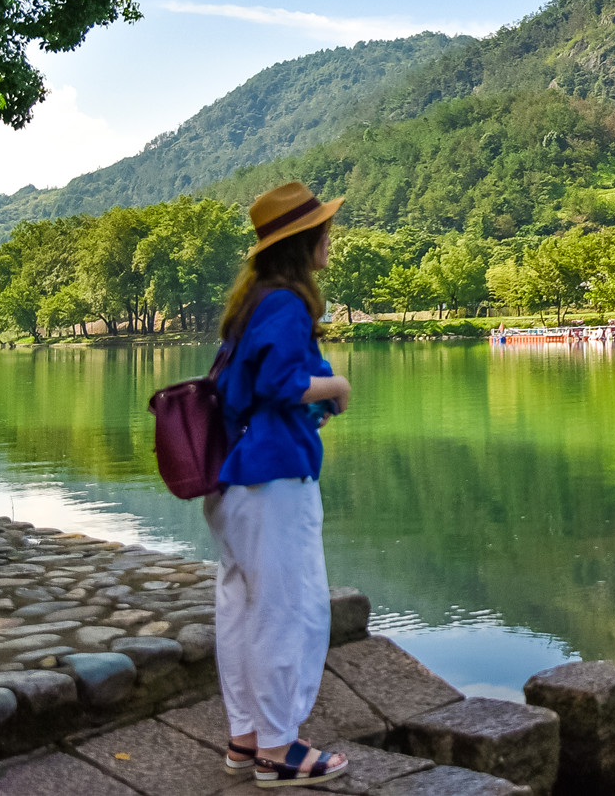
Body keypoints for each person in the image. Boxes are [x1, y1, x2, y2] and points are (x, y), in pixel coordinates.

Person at [210, 183, 354, 788]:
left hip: (235, 478)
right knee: (287, 609)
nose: (330, 240)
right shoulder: (287, 304)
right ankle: (277, 749)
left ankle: (246, 739)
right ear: (304, 243)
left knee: (242, 608)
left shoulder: (251, 303)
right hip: (273, 479)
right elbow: (281, 383)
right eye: (324, 231)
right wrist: (337, 387)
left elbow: (243, 388)